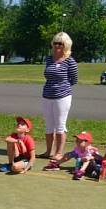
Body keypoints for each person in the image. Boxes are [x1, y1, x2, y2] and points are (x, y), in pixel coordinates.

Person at [40, 32, 78, 160]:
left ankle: (59, 152)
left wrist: (62, 88)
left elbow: (74, 79)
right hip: (47, 95)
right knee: (49, 125)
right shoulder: (49, 59)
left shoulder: (70, 61)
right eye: (55, 43)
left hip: (62, 96)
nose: (57, 46)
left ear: (66, 45)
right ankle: (48, 151)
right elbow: (47, 75)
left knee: (60, 125)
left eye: (60, 44)